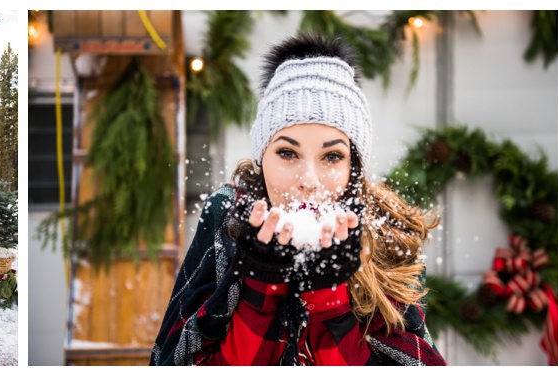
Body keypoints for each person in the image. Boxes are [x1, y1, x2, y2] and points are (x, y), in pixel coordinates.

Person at [150, 33, 446, 366]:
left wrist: (329, 299)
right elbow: (173, 361)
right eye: (288, 152)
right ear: (263, 160)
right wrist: (258, 289)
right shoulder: (230, 217)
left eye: (332, 156)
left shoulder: (386, 235)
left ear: (354, 167)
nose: (309, 180)